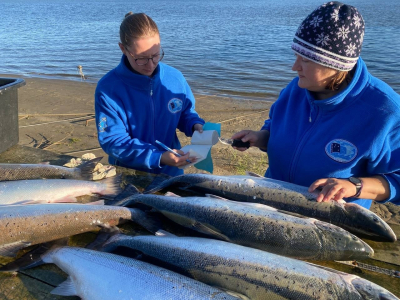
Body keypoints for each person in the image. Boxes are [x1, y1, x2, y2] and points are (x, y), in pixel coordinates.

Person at [232, 1, 400, 209]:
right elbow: (278, 127)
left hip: (327, 224)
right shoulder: (297, 88)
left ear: (336, 66)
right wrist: (260, 137)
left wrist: (354, 186)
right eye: (296, 56)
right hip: (270, 205)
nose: (295, 67)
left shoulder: (384, 111)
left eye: (307, 60)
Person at [95, 12, 204, 176]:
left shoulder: (174, 78)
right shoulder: (108, 89)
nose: (150, 65)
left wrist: (195, 125)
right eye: (141, 58)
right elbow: (113, 141)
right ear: (123, 49)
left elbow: (185, 111)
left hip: (171, 172)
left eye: (155, 55)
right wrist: (158, 157)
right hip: (128, 174)